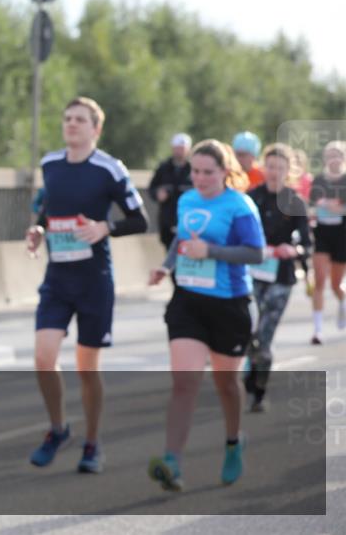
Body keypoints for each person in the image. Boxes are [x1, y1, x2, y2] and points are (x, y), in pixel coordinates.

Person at [24, 97, 148, 474]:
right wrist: (39, 230)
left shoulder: (109, 169)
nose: (71, 124)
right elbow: (48, 208)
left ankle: (92, 442)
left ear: (96, 128)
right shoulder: (50, 164)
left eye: (80, 119)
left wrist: (105, 227)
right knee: (43, 357)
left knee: (86, 368)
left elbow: (140, 220)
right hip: (57, 278)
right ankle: (58, 428)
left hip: (94, 280)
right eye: (67, 118)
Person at [147, 139, 264, 491]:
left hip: (229, 305)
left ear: (225, 172)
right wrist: (166, 266)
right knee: (184, 383)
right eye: (195, 171)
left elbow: (255, 253)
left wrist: (211, 251)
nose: (199, 178)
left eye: (207, 172)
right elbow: (182, 240)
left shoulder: (239, 205)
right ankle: (172, 462)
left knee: (226, 384)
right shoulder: (187, 200)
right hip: (188, 302)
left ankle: (233, 442)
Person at [244, 144, 311, 412]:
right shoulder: (251, 197)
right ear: (264, 168)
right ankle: (250, 373)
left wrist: (293, 250)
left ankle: (259, 392)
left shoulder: (295, 202)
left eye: (280, 168)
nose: (274, 172)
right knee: (247, 332)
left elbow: (306, 244)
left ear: (288, 171)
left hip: (280, 278)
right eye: (270, 167)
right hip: (251, 274)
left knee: (265, 337)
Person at [308, 140, 346, 343]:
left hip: (341, 235)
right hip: (322, 233)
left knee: (335, 284)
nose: (333, 159)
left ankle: (343, 302)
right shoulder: (319, 180)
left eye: (337, 155)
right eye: (330, 155)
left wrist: (338, 207)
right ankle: (318, 330)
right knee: (320, 280)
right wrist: (319, 206)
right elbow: (310, 206)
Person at [149, 133, 193, 250]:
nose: (180, 151)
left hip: (188, 219)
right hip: (167, 219)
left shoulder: (194, 169)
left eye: (182, 148)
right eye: (177, 148)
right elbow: (152, 188)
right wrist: (157, 194)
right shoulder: (163, 168)